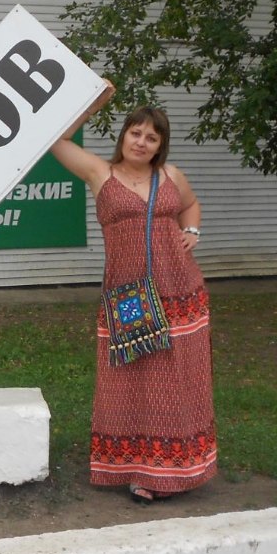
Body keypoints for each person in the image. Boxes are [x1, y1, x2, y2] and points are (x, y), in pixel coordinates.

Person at [50, 103, 217, 503]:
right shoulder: (99, 174)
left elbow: (190, 205)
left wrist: (191, 229)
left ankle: (179, 468)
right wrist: (94, 102)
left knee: (177, 380)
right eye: (135, 133)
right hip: (129, 297)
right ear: (123, 135)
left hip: (180, 294)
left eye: (151, 137)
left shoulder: (171, 176)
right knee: (133, 380)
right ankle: (138, 469)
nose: (141, 142)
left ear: (160, 146)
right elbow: (56, 140)